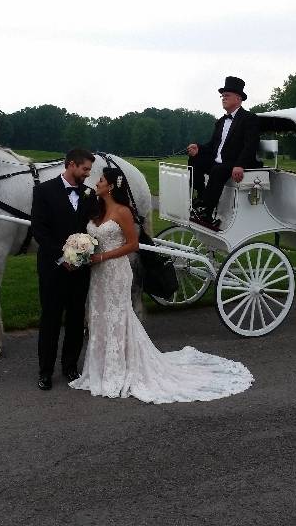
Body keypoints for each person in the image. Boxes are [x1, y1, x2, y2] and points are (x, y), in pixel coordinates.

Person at [69, 167, 254, 403]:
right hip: (98, 274)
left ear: (112, 185)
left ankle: (119, 369)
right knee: (99, 316)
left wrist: (103, 256)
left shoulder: (123, 212)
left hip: (115, 272)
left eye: (101, 180)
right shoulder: (98, 210)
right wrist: (82, 250)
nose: (97, 184)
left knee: (117, 316)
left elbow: (133, 245)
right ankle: (99, 368)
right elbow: (94, 238)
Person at [30, 149, 97, 391]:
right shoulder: (44, 191)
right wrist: (62, 257)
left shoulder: (90, 195)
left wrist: (82, 255)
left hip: (80, 270)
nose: (87, 174)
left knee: (76, 318)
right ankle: (45, 371)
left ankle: (70, 366)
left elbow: (93, 228)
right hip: (52, 268)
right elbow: (39, 229)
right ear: (71, 165)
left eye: (89, 170)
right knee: (50, 319)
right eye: (85, 169)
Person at [187, 76, 260, 225]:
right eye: (222, 95)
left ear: (238, 99)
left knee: (218, 170)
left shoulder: (249, 119)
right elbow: (213, 146)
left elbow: (250, 145)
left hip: (235, 163)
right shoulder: (221, 121)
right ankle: (201, 197)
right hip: (219, 162)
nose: (223, 98)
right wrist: (198, 148)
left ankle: (206, 213)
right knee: (195, 160)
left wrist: (240, 165)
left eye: (227, 95)